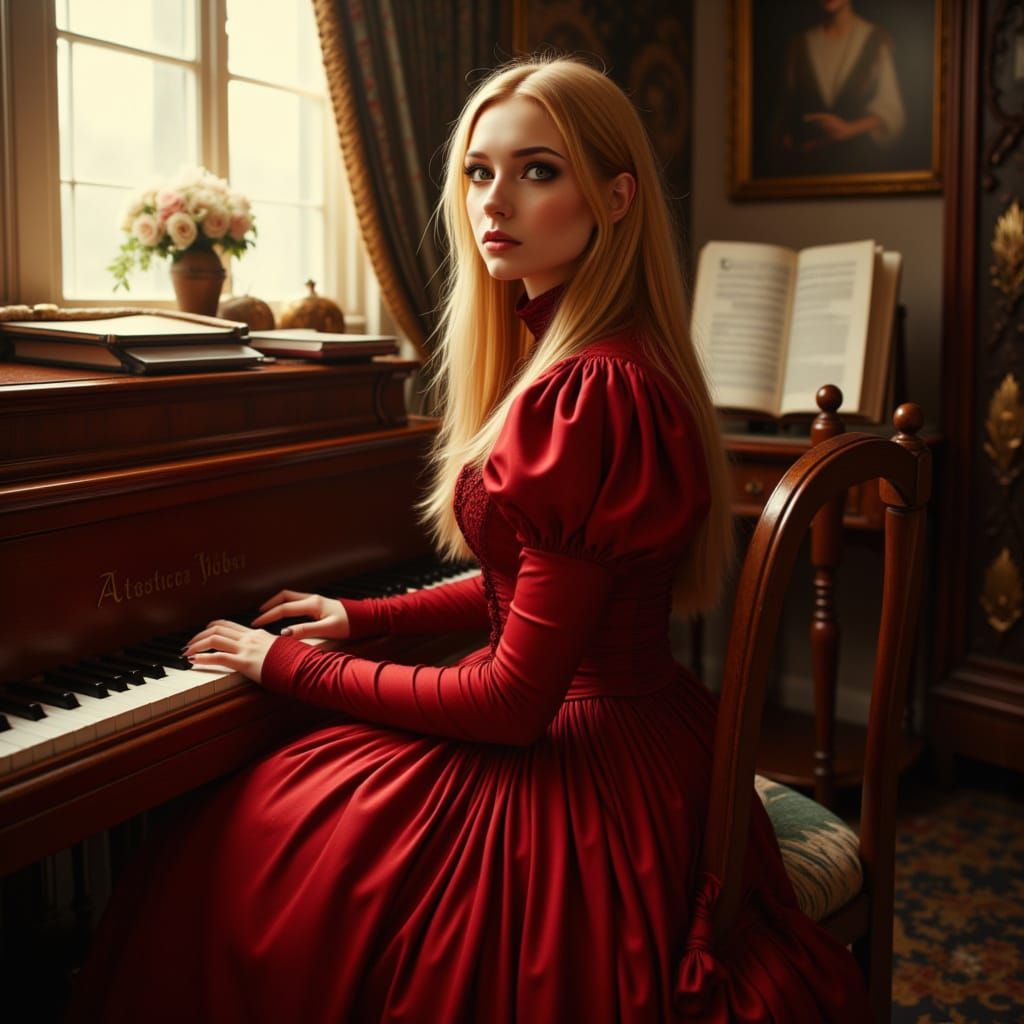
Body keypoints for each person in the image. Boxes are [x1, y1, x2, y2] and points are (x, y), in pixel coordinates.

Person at [69, 56, 871, 1022]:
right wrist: (361, 618)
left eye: (539, 170)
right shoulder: (581, 355)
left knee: (259, 830)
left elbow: (508, 702)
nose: (497, 202)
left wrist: (284, 665)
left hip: (586, 768)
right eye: (480, 173)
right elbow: (525, 590)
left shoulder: (590, 389)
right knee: (281, 813)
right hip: (641, 732)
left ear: (616, 198)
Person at [771, 0, 905, 177]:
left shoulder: (875, 39)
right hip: (807, 173)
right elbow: (786, 113)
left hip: (858, 171)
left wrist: (849, 129)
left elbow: (892, 110)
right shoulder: (800, 44)